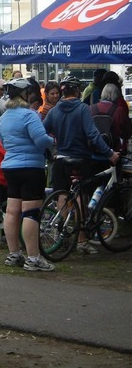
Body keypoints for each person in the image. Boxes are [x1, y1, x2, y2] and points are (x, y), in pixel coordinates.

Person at [43, 76, 120, 254]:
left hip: (60, 159)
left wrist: (53, 145)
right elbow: (93, 135)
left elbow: (42, 130)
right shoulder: (82, 108)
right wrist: (110, 153)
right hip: (79, 159)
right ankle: (81, 240)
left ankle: (59, 235)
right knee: (80, 197)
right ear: (77, 91)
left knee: (61, 195)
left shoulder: (54, 111)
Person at [0, 78, 55, 271]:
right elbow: (40, 141)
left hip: (10, 167)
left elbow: (4, 144)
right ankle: (33, 258)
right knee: (31, 212)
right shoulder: (30, 115)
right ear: (25, 95)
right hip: (31, 168)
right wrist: (51, 140)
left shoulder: (5, 117)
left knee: (12, 211)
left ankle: (14, 254)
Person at [91, 83, 132, 154]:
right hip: (115, 151)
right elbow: (127, 133)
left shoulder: (91, 109)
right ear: (116, 95)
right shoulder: (119, 110)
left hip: (94, 149)